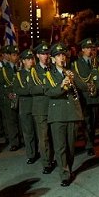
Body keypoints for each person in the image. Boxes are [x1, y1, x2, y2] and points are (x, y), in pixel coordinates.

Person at [44, 43, 83, 187]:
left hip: (71, 113)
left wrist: (74, 80)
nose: (61, 58)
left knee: (70, 146)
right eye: (58, 56)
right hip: (57, 115)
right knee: (60, 146)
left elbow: (81, 87)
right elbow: (49, 92)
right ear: (53, 59)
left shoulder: (70, 71)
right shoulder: (48, 74)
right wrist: (62, 84)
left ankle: (69, 168)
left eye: (63, 55)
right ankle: (64, 173)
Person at [71, 38, 99, 156]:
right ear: (82, 50)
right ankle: (89, 145)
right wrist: (88, 88)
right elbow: (76, 80)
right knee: (87, 121)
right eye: (87, 48)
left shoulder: (95, 62)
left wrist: (95, 87)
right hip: (84, 97)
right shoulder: (76, 64)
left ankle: (91, 141)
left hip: (95, 96)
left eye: (91, 48)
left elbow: (98, 75)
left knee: (94, 122)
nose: (89, 50)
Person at [31, 42, 56, 174]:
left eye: (47, 53)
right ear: (37, 55)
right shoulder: (34, 70)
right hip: (41, 109)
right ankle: (46, 162)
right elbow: (32, 88)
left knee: (53, 135)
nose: (45, 56)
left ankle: (54, 157)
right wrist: (47, 87)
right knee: (44, 137)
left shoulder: (53, 68)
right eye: (42, 54)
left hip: (53, 106)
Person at [13, 49, 39, 164]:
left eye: (32, 59)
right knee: (28, 132)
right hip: (25, 106)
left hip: (37, 105)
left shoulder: (37, 72)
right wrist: (30, 90)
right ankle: (31, 154)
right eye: (28, 59)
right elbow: (17, 89)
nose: (31, 61)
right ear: (23, 61)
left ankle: (43, 152)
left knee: (40, 132)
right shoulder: (19, 74)